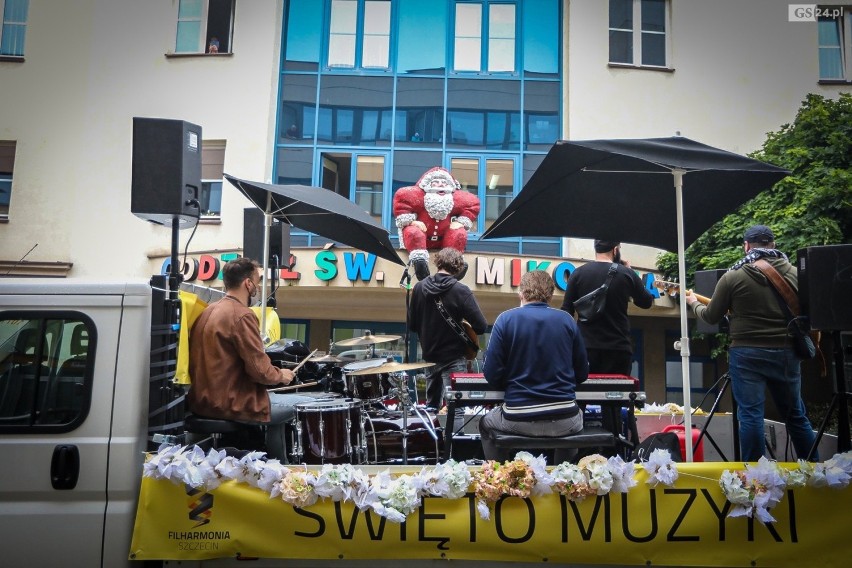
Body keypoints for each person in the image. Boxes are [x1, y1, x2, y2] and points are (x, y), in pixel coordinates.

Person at [685, 225, 818, 462]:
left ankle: (755, 477)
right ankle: (816, 471)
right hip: (787, 352)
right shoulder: (799, 274)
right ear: (773, 244)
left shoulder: (734, 276)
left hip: (747, 354)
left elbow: (710, 316)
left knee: (750, 416)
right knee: (796, 416)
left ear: (746, 246)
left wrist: (693, 302)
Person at [187, 257, 314, 462]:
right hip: (230, 403)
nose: (257, 287)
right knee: (299, 407)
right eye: (257, 281)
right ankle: (279, 471)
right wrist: (281, 375)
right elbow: (260, 371)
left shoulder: (207, 311)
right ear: (248, 283)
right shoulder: (242, 315)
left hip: (202, 400)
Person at [479, 270, 589, 463]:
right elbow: (582, 374)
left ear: (521, 293)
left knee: (485, 423)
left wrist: (512, 380)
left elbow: (491, 374)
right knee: (575, 421)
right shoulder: (567, 320)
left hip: (517, 418)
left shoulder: (505, 319)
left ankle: (501, 479)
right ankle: (564, 478)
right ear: (551, 295)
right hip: (566, 419)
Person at [408, 247, 487, 411]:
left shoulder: (419, 288)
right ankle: (452, 438)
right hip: (454, 359)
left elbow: (412, 326)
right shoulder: (461, 291)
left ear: (438, 263)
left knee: (431, 407)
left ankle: (431, 436)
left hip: (430, 358)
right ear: (458, 267)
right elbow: (481, 326)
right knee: (456, 409)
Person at [560, 240, 654, 376]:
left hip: (586, 348)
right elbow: (646, 302)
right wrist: (630, 271)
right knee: (617, 393)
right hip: (618, 349)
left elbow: (566, 311)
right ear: (615, 250)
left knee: (587, 393)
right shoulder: (626, 274)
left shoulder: (578, 273)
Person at [393, 167, 480, 280]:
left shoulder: (455, 199)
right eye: (436, 182)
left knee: (459, 233)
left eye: (444, 183)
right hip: (422, 238)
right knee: (413, 232)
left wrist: (461, 221)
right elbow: (402, 206)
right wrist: (412, 221)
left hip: (444, 239)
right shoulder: (416, 196)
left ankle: (454, 263)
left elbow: (473, 204)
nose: (440, 185)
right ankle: (420, 263)